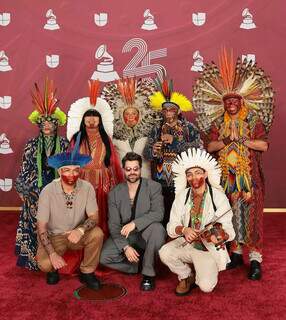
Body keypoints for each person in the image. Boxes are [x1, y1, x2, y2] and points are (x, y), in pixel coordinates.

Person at [193, 49, 274, 280]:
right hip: (226, 178)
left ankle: (255, 259)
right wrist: (227, 140)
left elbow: (264, 146)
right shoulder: (218, 123)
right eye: (227, 101)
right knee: (231, 214)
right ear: (223, 104)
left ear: (241, 101)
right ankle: (236, 253)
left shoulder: (253, 120)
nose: (230, 104)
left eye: (234, 100)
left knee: (253, 217)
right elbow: (209, 147)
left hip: (250, 178)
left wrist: (244, 140)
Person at [159, 148, 235, 295]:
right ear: (186, 177)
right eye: (189, 174)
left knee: (206, 287)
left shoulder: (218, 197)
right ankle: (186, 276)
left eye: (198, 173)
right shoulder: (182, 196)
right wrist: (184, 230)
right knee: (165, 252)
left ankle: (202, 272)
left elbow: (230, 232)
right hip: (187, 244)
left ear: (206, 174)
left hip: (207, 250)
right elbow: (171, 226)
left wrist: (220, 236)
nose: (194, 177)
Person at [36, 133, 104, 289]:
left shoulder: (87, 187)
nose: (72, 174)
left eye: (75, 170)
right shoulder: (47, 191)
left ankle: (87, 272)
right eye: (66, 170)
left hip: (76, 234)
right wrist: (52, 254)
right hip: (54, 236)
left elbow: (94, 217)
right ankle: (53, 270)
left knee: (97, 234)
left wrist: (80, 230)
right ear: (60, 172)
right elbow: (41, 227)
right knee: (45, 265)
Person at [15, 78, 68, 270]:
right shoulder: (31, 144)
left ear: (56, 124)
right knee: (36, 221)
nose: (47, 125)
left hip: (57, 188)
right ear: (39, 124)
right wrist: (23, 189)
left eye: (51, 121)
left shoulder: (63, 144)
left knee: (56, 222)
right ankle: (34, 258)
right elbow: (24, 168)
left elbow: (67, 168)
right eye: (43, 122)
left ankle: (55, 256)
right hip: (35, 189)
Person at [100, 152, 166, 291]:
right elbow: (113, 224)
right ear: (123, 170)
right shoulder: (114, 193)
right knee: (104, 257)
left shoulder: (153, 187)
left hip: (147, 232)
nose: (132, 173)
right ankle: (135, 265)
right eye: (128, 169)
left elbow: (158, 213)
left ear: (141, 169)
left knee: (158, 229)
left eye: (136, 169)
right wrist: (125, 247)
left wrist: (135, 223)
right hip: (126, 235)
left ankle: (148, 274)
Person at [67, 80, 123, 236]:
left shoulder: (106, 138)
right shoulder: (76, 138)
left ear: (100, 120)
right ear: (83, 120)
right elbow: (71, 161)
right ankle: (80, 235)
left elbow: (113, 162)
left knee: (101, 210)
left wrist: (114, 181)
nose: (91, 121)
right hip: (82, 179)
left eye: (95, 118)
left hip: (102, 180)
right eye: (88, 118)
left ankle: (102, 235)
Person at [144, 77, 202, 225]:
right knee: (163, 214)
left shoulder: (189, 128)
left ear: (178, 110)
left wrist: (176, 142)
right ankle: (163, 242)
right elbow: (146, 154)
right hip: (160, 180)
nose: (168, 113)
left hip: (182, 179)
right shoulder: (156, 129)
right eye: (165, 110)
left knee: (182, 213)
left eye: (171, 110)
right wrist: (154, 150)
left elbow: (198, 149)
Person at [101, 77, 158, 178]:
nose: (131, 117)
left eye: (134, 113)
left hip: (145, 180)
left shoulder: (149, 135)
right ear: (121, 116)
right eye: (127, 114)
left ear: (140, 115)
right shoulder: (115, 137)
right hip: (122, 180)